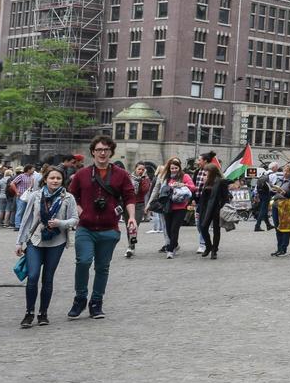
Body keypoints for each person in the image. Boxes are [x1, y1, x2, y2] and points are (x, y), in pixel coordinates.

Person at [65, 135, 138, 319]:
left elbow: (129, 196)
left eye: (106, 150)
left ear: (111, 152)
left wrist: (132, 217)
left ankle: (96, 303)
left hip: (109, 229)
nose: (102, 153)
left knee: (102, 267)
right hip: (86, 228)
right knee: (83, 261)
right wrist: (80, 211)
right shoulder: (82, 174)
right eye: (99, 150)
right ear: (93, 152)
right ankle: (80, 298)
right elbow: (71, 196)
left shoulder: (121, 175)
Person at [14, 166, 79, 328]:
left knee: (48, 278)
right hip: (35, 240)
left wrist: (60, 223)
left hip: (56, 242)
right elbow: (26, 220)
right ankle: (29, 313)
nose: (55, 181)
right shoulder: (36, 196)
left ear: (62, 180)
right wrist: (19, 242)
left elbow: (74, 219)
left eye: (58, 178)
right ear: (45, 179)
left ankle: (43, 313)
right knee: (33, 275)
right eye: (52, 178)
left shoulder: (68, 198)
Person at [155, 157, 196, 259]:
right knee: (168, 229)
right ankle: (175, 245)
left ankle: (170, 250)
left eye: (175, 168)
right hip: (168, 206)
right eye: (172, 168)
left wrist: (182, 184)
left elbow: (193, 187)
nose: (174, 170)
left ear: (179, 168)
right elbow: (160, 190)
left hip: (180, 207)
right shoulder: (167, 178)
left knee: (174, 229)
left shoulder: (185, 176)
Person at [197, 163, 230, 260]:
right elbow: (203, 196)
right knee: (202, 227)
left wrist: (223, 208)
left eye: (206, 171)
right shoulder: (206, 181)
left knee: (216, 230)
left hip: (216, 208)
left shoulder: (221, 181)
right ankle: (208, 246)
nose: (205, 173)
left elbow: (225, 197)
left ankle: (214, 250)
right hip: (205, 208)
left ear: (212, 172)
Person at [272, 172, 290, 256]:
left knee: (285, 228)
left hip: (286, 205)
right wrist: (274, 190)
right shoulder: (280, 181)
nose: (285, 173)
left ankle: (283, 249)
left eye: (287, 171)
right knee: (277, 227)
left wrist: (284, 192)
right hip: (276, 204)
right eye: (284, 171)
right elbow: (274, 192)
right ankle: (279, 248)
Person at [253, 164, 277, 231]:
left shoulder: (264, 173)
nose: (277, 169)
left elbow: (257, 184)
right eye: (276, 167)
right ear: (273, 167)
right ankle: (257, 226)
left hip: (260, 193)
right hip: (266, 193)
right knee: (263, 210)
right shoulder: (273, 175)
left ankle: (268, 225)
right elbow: (272, 185)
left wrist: (256, 193)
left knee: (264, 209)